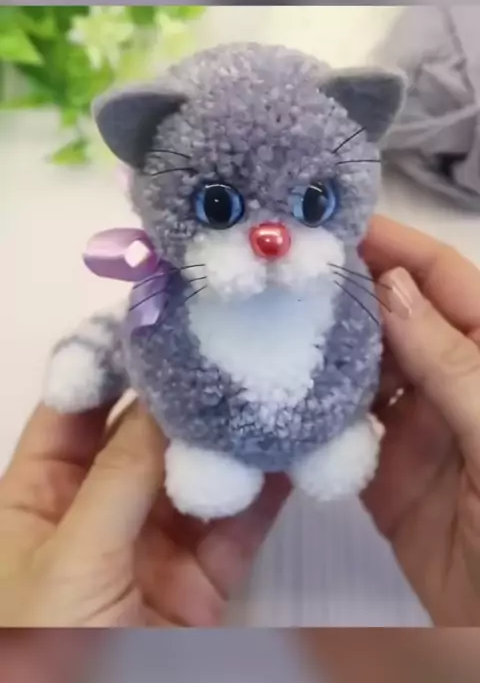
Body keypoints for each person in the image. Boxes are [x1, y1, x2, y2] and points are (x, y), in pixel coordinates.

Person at [1, 214, 480, 628]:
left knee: (337, 452)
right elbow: (123, 327)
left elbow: (374, 343)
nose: (270, 237)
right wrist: (90, 358)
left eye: (312, 203)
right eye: (218, 206)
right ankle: (213, 457)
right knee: (207, 478)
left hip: (328, 430)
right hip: (206, 443)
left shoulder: (347, 281)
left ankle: (328, 442)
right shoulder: (171, 288)